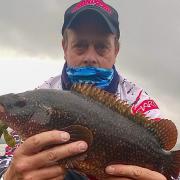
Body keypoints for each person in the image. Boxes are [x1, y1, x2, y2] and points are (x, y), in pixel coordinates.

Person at [0, 0, 179, 179]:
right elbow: (9, 158)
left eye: (101, 47)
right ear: (65, 47)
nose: (90, 57)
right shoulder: (42, 95)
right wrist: (10, 176)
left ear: (116, 49)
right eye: (80, 45)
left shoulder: (139, 102)